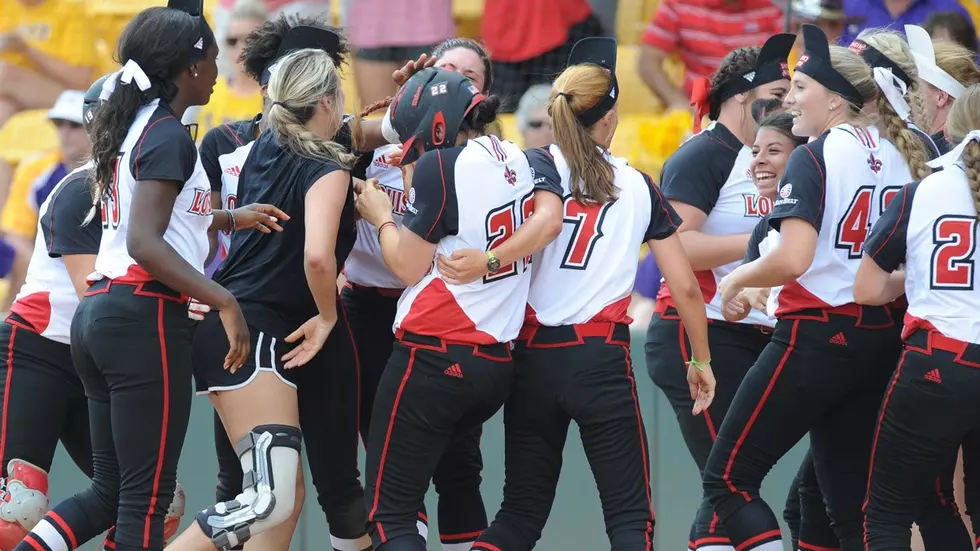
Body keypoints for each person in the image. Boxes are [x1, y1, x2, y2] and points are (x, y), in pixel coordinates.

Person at [11, 4, 282, 551]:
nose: (215, 72)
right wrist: (224, 300)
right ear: (190, 67)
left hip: (104, 315)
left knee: (114, 491)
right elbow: (145, 241)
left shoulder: (134, 128)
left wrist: (228, 217)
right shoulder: (166, 134)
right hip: (142, 315)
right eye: (209, 58)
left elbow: (164, 216)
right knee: (147, 498)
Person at [468, 37, 715, 551]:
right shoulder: (637, 183)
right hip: (599, 357)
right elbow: (686, 287)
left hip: (532, 356)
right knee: (629, 519)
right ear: (609, 118)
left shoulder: (531, 167)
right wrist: (701, 359)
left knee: (517, 517)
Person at [700, 24, 912, 550]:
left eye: (800, 87)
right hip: (879, 335)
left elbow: (793, 259)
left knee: (727, 479)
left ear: (836, 100)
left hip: (817, 333)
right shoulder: (901, 151)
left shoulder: (813, 155)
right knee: (846, 507)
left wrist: (739, 282)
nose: (789, 99)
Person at [172, 46, 356, 551]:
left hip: (236, 323)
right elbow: (318, 258)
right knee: (269, 499)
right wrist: (325, 316)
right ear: (325, 99)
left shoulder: (262, 148)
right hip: (249, 330)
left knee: (281, 498)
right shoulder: (328, 164)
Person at [0, 73, 185, 551]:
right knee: (15, 509)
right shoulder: (83, 190)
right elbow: (95, 292)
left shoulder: (144, 188)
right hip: (39, 351)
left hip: (91, 358)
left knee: (156, 502)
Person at [353, 67, 534, 551]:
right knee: (460, 482)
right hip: (495, 358)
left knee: (389, 511)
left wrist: (381, 216)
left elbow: (407, 266)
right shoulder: (515, 154)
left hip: (434, 354)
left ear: (437, 123)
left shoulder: (444, 165)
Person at [642, 32, 794, 551]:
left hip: (749, 332)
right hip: (696, 332)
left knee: (724, 488)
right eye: (776, 92)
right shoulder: (705, 153)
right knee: (730, 481)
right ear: (739, 97)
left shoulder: (778, 153)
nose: (787, 103)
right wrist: (764, 243)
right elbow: (675, 246)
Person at [857, 83, 980, 551]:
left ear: (953, 129)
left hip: (938, 363)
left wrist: (916, 281)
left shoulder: (923, 190)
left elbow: (867, 289)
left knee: (885, 513)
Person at [194, 0, 266, 138]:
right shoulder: (208, 90)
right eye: (232, 41)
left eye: (250, 40)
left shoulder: (276, 96)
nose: (241, 48)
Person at [906, 24, 980, 154]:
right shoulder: (968, 148)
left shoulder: (934, 156)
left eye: (915, 86)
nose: (908, 95)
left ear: (941, 97)